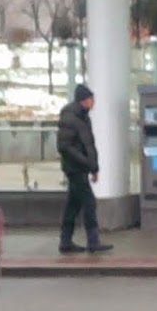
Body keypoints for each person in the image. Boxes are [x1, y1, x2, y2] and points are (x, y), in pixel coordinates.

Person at [56, 84, 112, 254]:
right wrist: (86, 162)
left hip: (81, 168)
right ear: (84, 100)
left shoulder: (83, 116)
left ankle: (65, 241)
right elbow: (64, 146)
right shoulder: (70, 117)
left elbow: (88, 144)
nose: (93, 102)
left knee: (73, 204)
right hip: (75, 168)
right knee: (89, 202)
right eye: (91, 99)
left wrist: (94, 168)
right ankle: (93, 242)